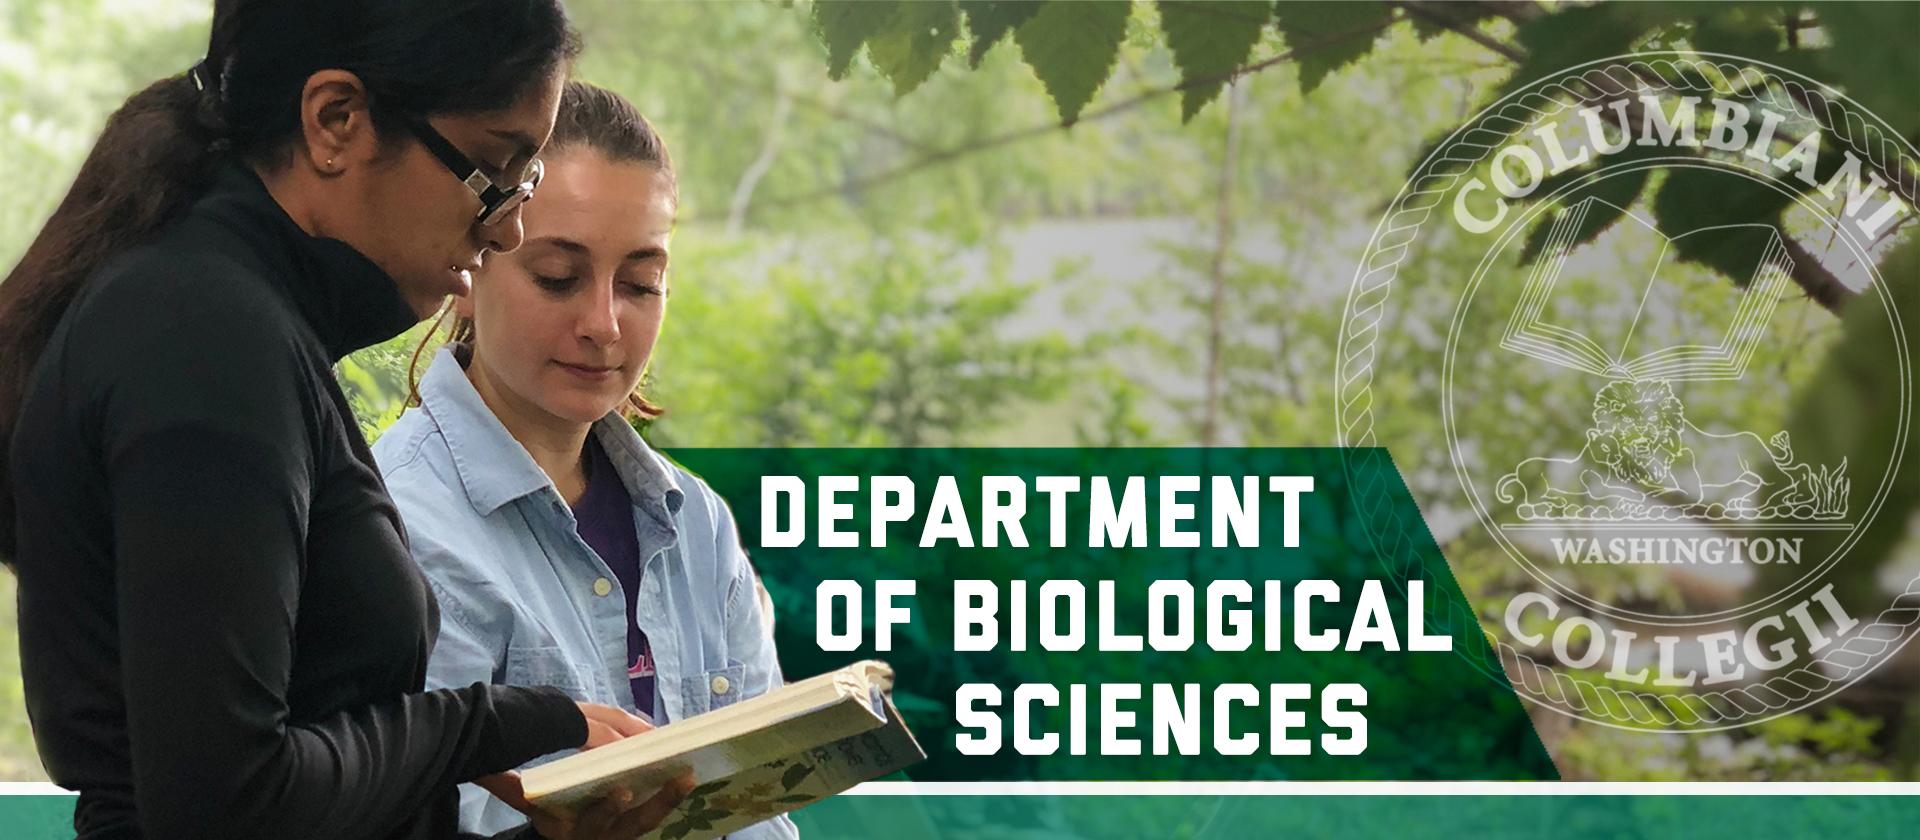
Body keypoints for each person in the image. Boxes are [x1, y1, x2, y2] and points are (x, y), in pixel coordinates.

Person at [0, 2, 686, 838]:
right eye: (492, 171)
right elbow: (226, 807)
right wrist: (493, 724)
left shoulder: (240, 322)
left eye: (524, 184)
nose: (507, 226)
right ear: (336, 121)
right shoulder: (204, 340)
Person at [375, 81, 795, 839]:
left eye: (640, 284)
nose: (603, 324)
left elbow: (765, 812)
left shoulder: (696, 524)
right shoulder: (396, 521)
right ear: (469, 270)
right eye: (558, 277)